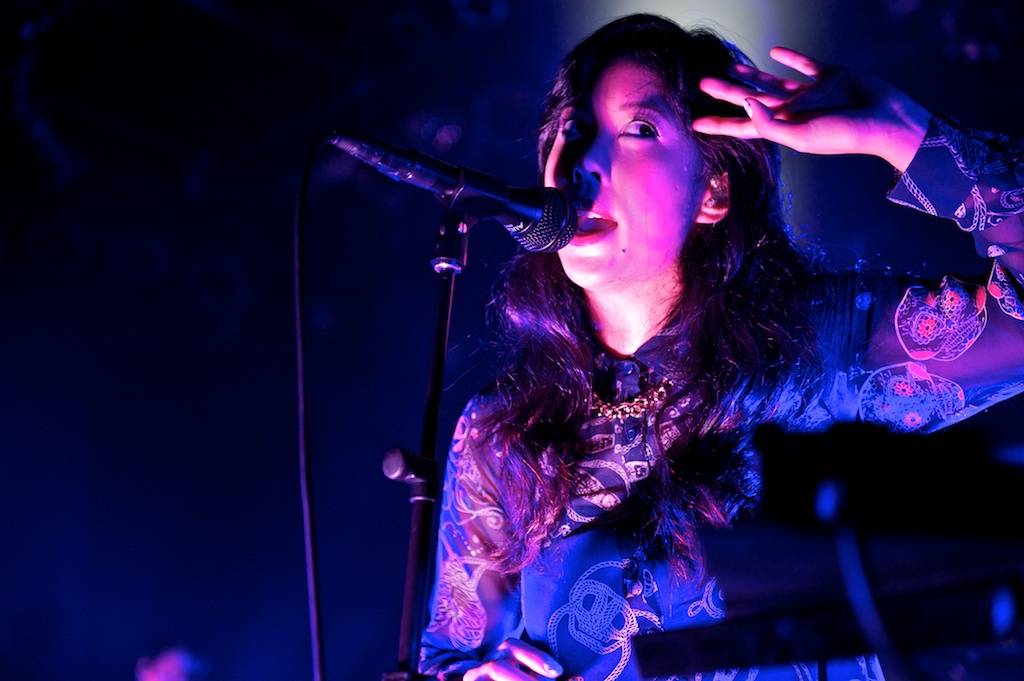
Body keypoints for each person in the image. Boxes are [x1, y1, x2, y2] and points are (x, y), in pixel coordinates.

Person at [418, 13, 1024, 681]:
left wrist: (902, 134)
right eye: (571, 127)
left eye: (639, 130)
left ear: (712, 190)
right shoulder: (502, 431)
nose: (584, 162)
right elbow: (448, 655)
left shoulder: (824, 344)